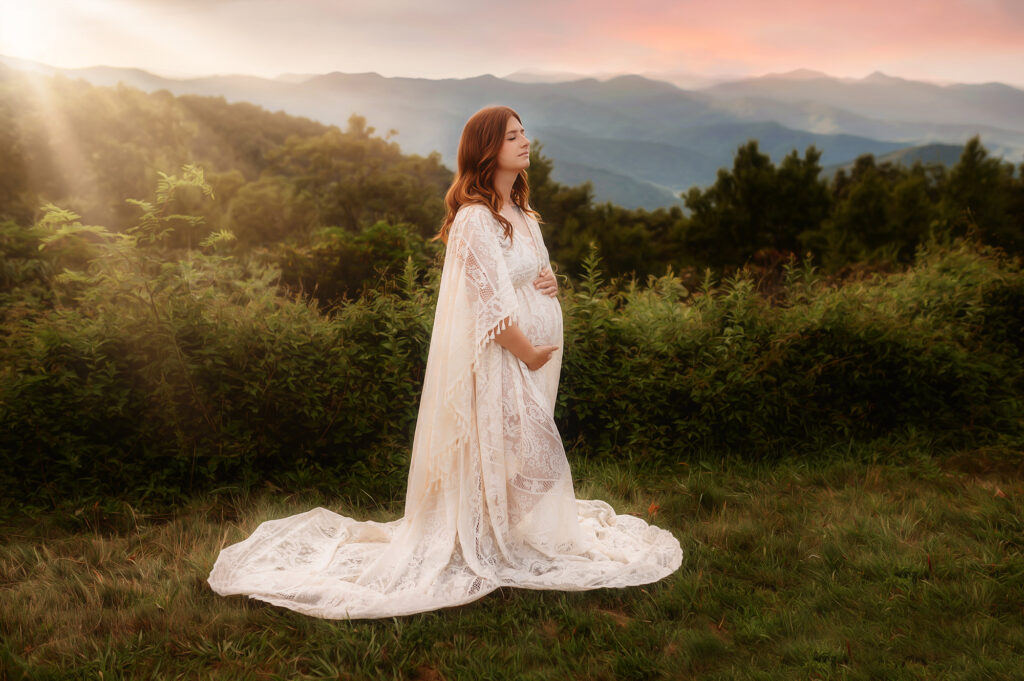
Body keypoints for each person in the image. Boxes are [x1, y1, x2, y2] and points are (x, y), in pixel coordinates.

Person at [207, 105, 683, 619]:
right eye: (512, 137)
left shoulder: (522, 214)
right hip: (503, 361)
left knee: (517, 460)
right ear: (487, 151)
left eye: (525, 134)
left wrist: (551, 285)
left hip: (533, 364)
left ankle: (502, 533)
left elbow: (534, 274)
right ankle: (482, 537)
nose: (525, 143)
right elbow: (491, 310)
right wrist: (529, 352)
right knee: (533, 459)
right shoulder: (476, 221)